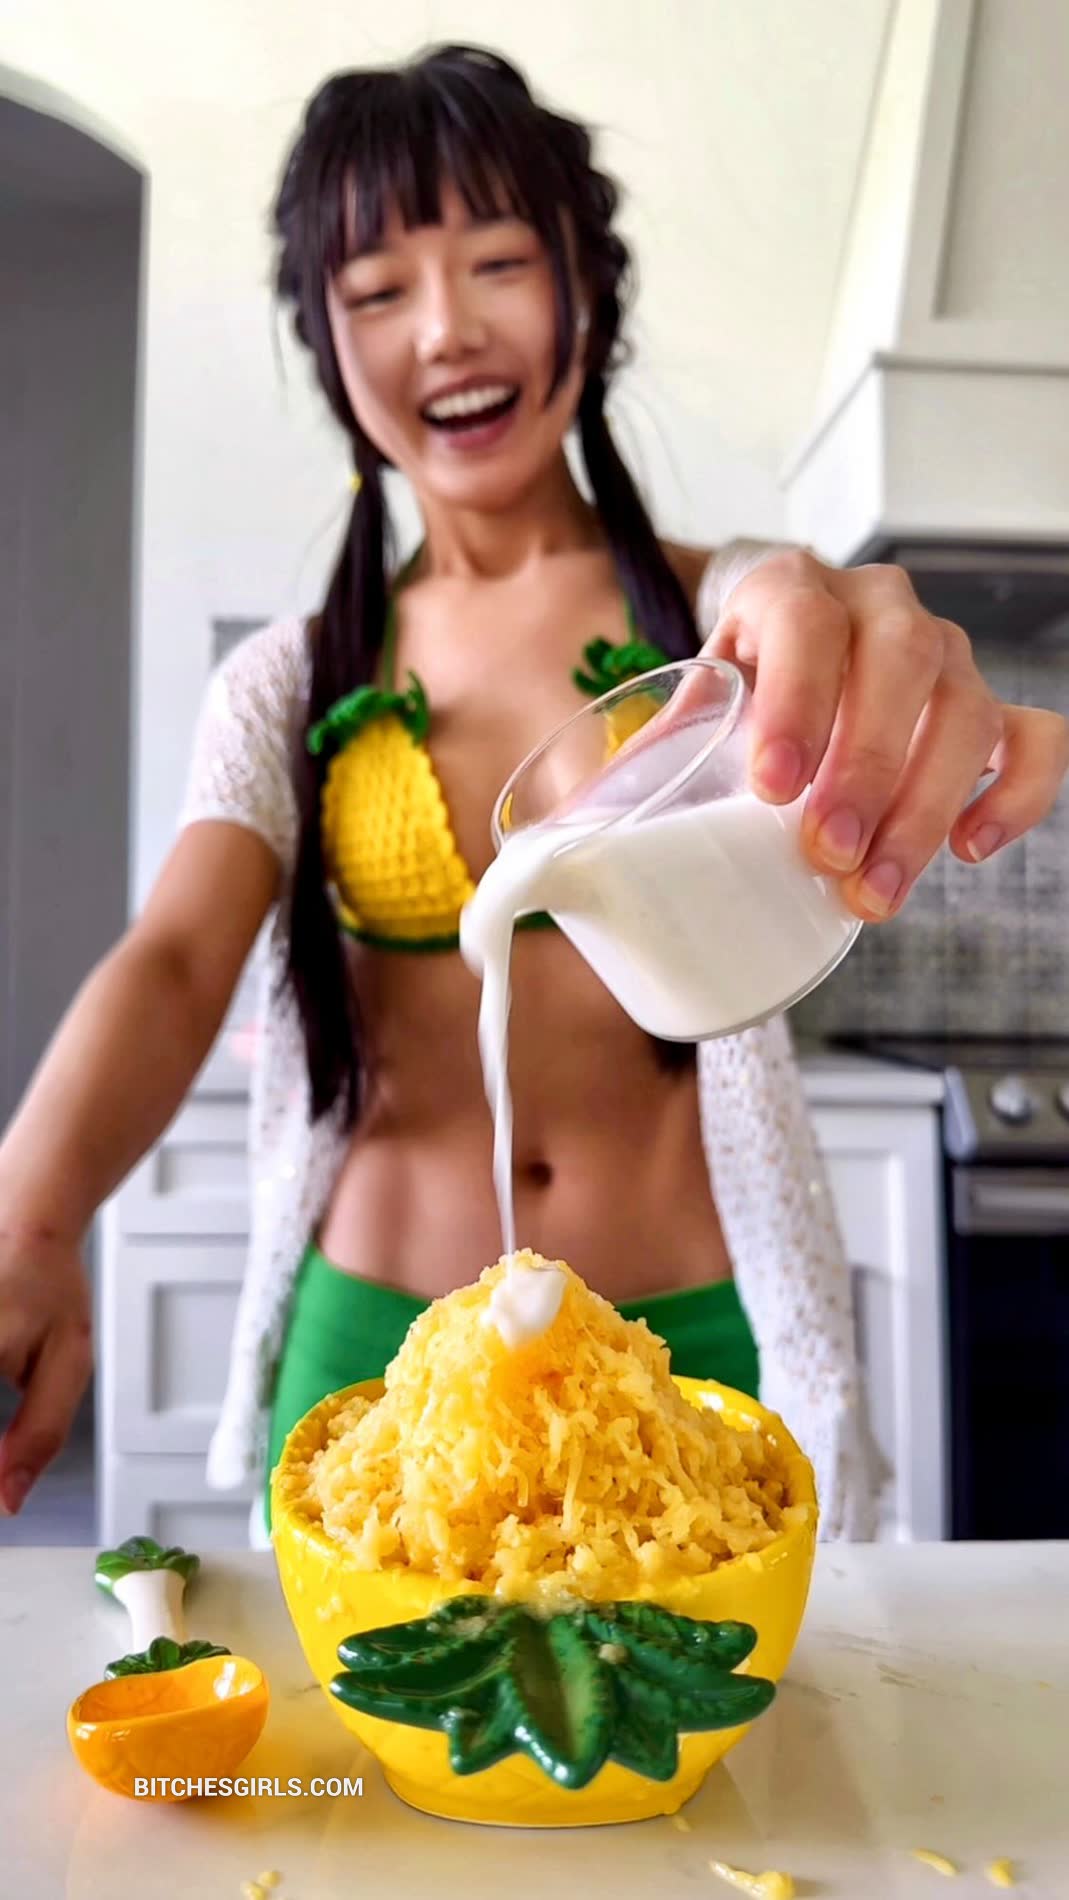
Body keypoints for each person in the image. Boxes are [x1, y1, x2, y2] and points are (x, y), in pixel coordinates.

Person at [0, 44, 1066, 1546]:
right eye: (378, 289)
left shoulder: (726, 619)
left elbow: (799, 604)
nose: (446, 328)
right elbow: (176, 959)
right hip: (375, 1350)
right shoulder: (287, 684)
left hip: (691, 1347)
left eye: (498, 262)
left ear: (588, 293)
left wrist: (841, 621)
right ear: (328, 347)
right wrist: (30, 1219)